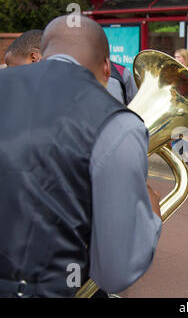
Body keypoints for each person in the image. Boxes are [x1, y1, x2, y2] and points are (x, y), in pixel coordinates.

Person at [0, 15, 162, 298]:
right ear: (106, 68)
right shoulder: (119, 123)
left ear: (43, 54)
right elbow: (115, 273)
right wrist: (151, 216)